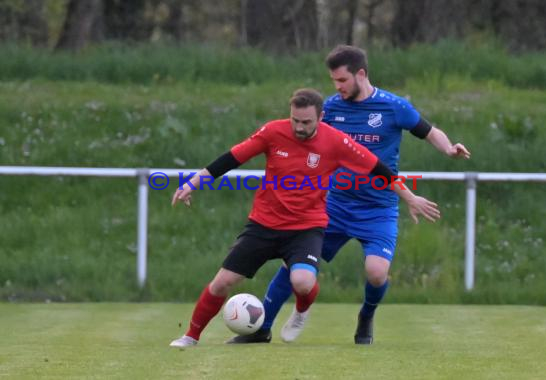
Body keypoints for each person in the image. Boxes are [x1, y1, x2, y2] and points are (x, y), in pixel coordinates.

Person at [228, 45, 470, 345]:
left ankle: (366, 315)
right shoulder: (330, 108)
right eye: (333, 81)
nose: (337, 87)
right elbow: (302, 139)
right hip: (334, 206)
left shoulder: (394, 107)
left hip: (378, 208)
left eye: (342, 80)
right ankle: (261, 327)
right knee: (294, 264)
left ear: (361, 74)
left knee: (377, 273)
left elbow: (430, 131)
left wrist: (448, 148)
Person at [169, 88, 440, 347]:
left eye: (306, 122)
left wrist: (410, 197)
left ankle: (302, 310)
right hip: (264, 223)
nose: (299, 127)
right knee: (222, 282)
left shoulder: (336, 140)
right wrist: (193, 182)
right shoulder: (273, 131)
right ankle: (191, 337)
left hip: (306, 227)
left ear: (321, 117)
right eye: (295, 120)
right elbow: (231, 158)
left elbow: (378, 169)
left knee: (302, 282)